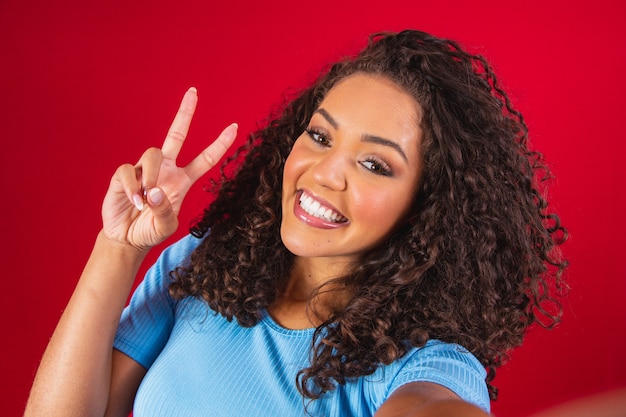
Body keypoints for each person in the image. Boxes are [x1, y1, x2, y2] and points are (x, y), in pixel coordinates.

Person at [24, 30, 567, 417]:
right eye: (321, 137)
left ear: (428, 205)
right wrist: (116, 247)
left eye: (375, 164)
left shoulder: (424, 366)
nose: (324, 173)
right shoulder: (202, 265)